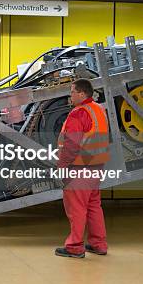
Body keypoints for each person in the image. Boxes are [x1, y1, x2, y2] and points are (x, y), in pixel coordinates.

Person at [55, 79, 110, 258]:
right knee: (94, 205)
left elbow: (71, 144)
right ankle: (98, 244)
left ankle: (75, 247)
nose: (70, 96)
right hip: (96, 165)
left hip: (79, 167)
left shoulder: (78, 113)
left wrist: (62, 166)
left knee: (76, 208)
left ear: (81, 93)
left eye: (72, 92)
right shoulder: (99, 109)